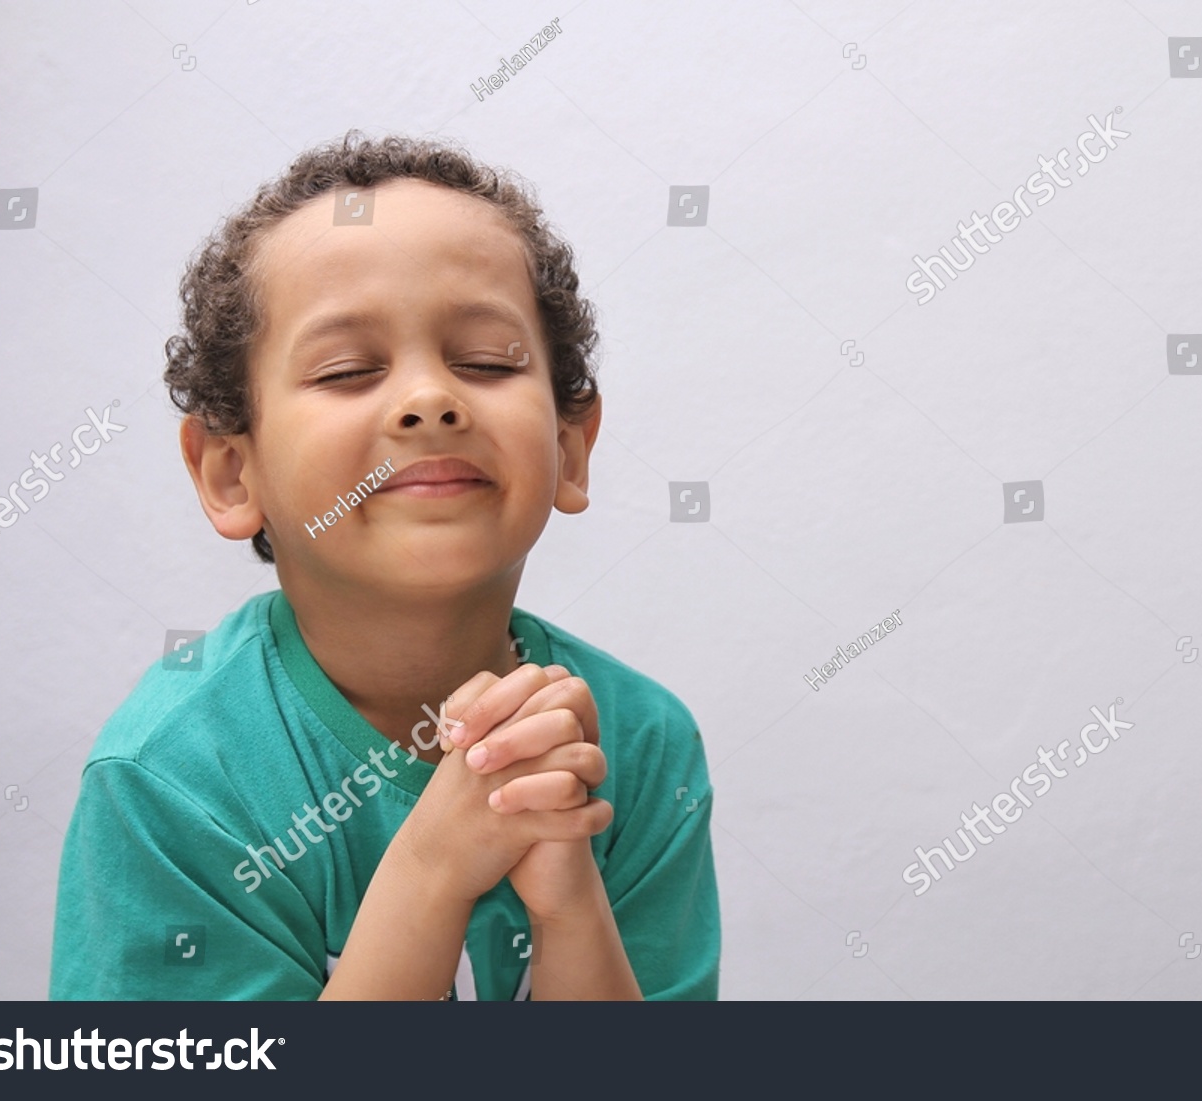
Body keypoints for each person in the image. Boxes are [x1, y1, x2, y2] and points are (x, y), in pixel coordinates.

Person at [49, 131, 719, 1000]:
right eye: (347, 369)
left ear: (569, 448)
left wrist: (572, 910)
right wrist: (436, 868)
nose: (430, 401)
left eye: (484, 362)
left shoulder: (640, 743)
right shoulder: (172, 781)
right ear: (231, 471)